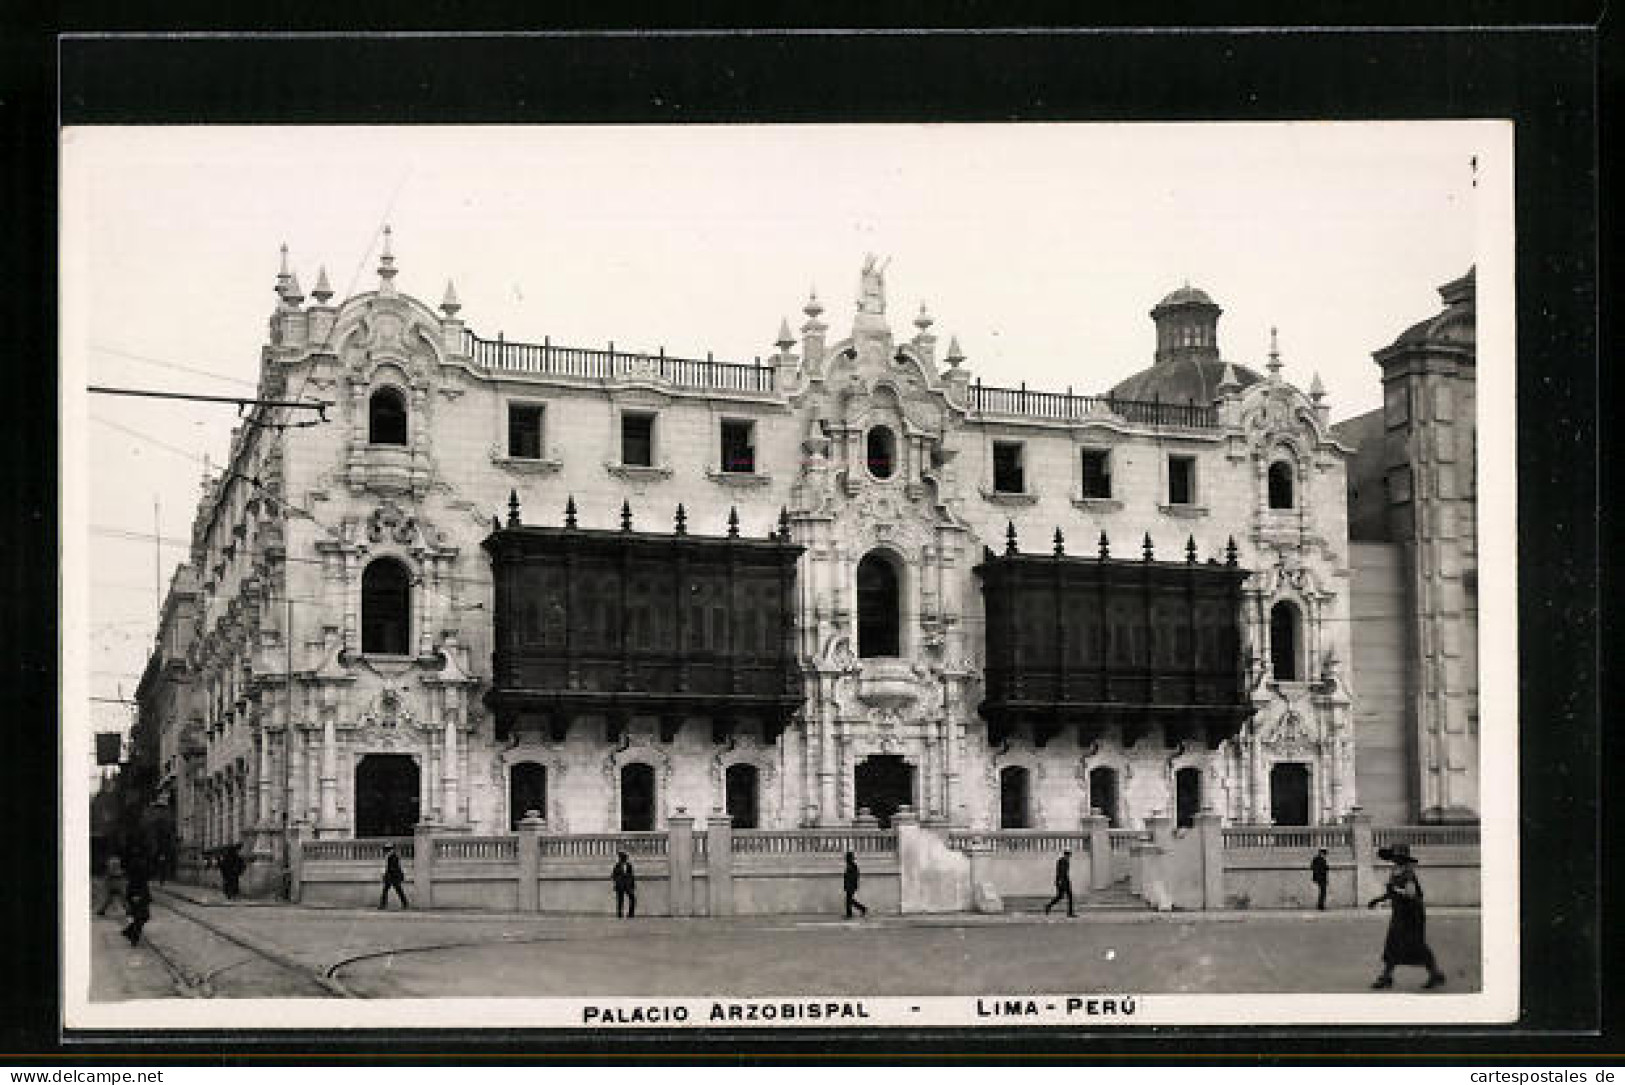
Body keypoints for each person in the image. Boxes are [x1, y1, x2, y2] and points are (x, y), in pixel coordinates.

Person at [1367, 843, 1446, 989]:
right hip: (1400, 913)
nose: (1394, 859)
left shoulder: (1408, 872)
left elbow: (1411, 894)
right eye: (1394, 857)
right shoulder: (1395, 870)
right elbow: (1392, 892)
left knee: (1416, 944)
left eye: (1397, 856)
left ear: (1403, 858)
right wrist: (1377, 900)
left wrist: (1395, 890)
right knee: (1393, 943)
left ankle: (1435, 974)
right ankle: (1386, 977)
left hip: (1412, 913)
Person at [122, 854, 151, 946]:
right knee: (142, 916)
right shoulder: (138, 869)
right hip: (138, 896)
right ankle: (133, 935)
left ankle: (130, 932)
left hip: (139, 895)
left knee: (140, 917)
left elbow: (140, 883)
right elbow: (136, 883)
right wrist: (136, 895)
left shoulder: (139, 868)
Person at [1045, 849, 1076, 917]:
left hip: (1064, 881)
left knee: (1064, 896)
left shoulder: (1065, 861)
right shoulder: (1062, 861)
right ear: (1066, 855)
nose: (1069, 857)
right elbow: (1061, 872)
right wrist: (1060, 881)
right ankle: (1049, 906)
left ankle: (1048, 906)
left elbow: (1064, 872)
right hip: (1062, 881)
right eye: (1068, 856)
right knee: (1063, 896)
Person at [96, 853, 128, 917]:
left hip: (117, 886)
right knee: (109, 900)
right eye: (114, 864)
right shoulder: (110, 871)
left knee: (122, 899)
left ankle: (128, 910)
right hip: (112, 886)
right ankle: (101, 911)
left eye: (116, 864)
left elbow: (120, 877)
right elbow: (109, 877)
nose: (115, 865)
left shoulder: (117, 870)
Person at [379, 844, 410, 910]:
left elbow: (393, 868)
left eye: (387, 849)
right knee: (388, 890)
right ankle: (383, 904)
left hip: (393, 876)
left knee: (397, 890)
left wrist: (387, 874)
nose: (386, 851)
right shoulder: (390, 856)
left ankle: (405, 903)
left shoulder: (393, 857)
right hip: (392, 876)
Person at [611, 851, 637, 918]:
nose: (623, 859)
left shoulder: (629, 865)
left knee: (633, 899)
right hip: (620, 885)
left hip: (628, 885)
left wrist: (633, 884)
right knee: (620, 900)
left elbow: (632, 875)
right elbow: (613, 876)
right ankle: (620, 914)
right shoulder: (617, 866)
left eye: (624, 857)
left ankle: (630, 914)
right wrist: (617, 881)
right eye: (622, 857)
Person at [843, 851, 868, 919]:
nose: (846, 860)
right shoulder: (850, 866)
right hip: (850, 886)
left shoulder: (853, 866)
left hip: (851, 886)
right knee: (849, 900)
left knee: (849, 900)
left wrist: (851, 885)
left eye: (847, 858)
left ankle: (862, 909)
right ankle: (851, 913)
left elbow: (854, 877)